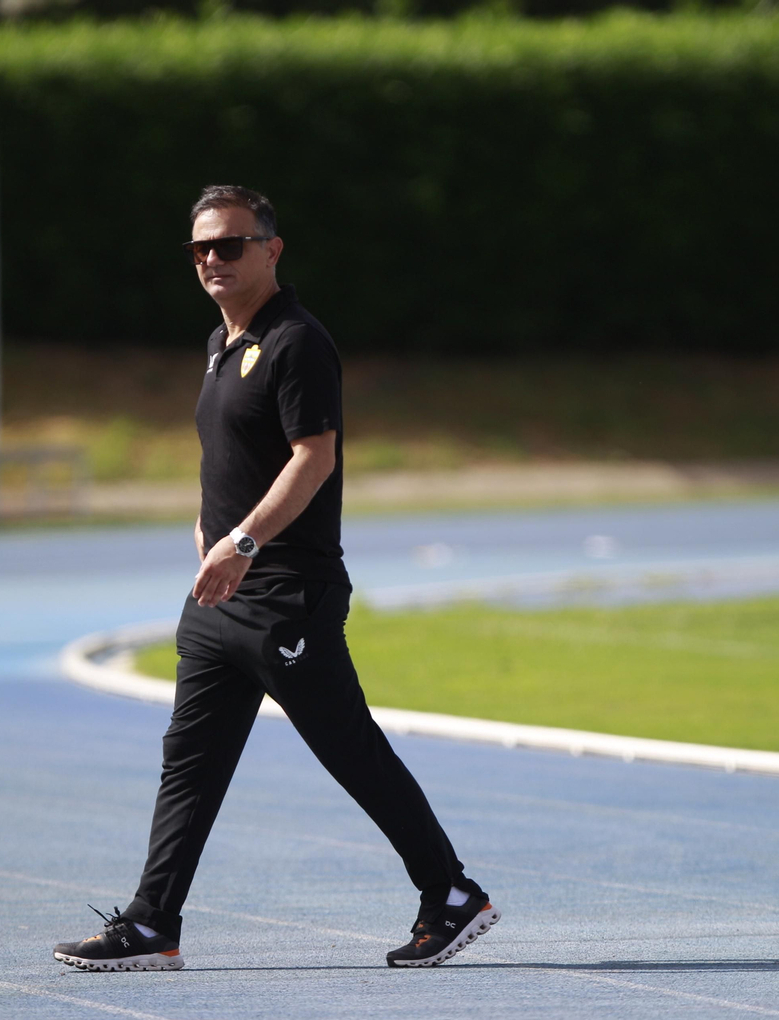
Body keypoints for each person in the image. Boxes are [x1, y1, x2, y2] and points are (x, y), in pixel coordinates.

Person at [54, 185, 497, 972]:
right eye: (200, 248)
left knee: (348, 750)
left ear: (271, 249)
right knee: (189, 762)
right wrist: (208, 529)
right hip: (219, 599)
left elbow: (313, 458)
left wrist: (244, 541)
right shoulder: (223, 342)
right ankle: (154, 923)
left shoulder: (297, 342)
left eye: (229, 244)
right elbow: (231, 456)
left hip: (286, 593)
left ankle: (451, 892)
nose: (212, 260)